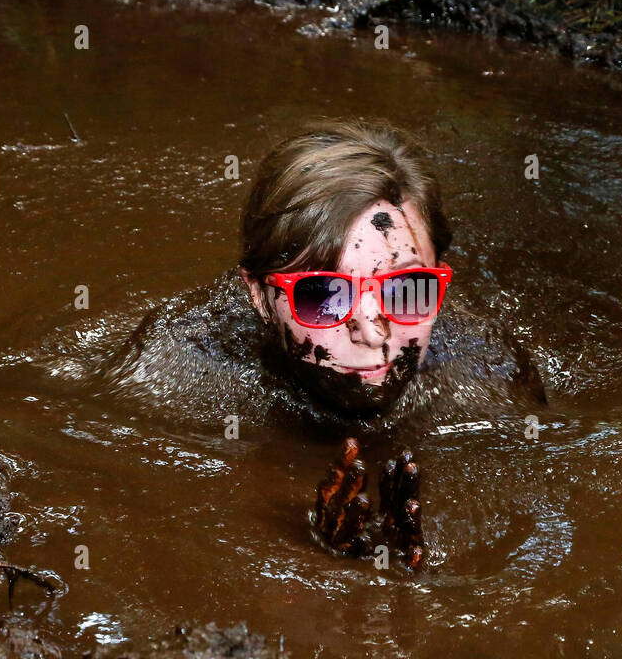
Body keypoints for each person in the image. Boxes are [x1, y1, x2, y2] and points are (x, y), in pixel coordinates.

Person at [102, 119, 545, 434]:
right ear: (258, 295)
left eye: (409, 289)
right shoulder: (172, 376)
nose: (374, 335)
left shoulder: (490, 376)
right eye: (324, 295)